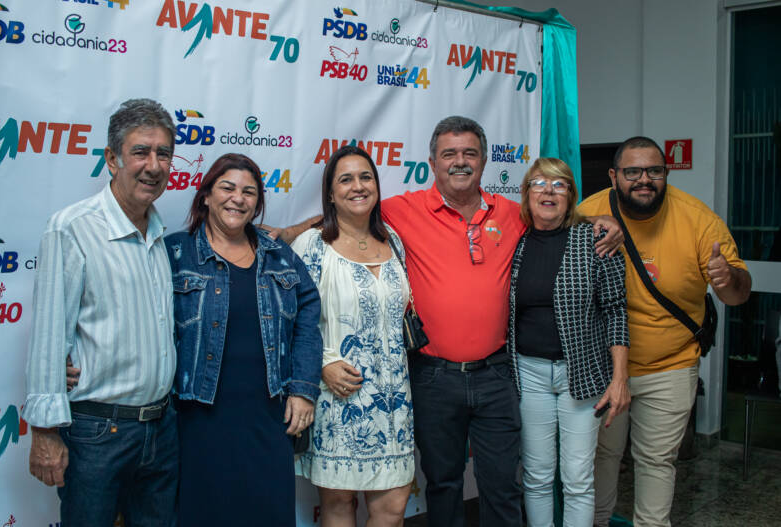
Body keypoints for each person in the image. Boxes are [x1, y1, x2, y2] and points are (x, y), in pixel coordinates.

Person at [278, 116, 623, 527]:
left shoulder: (513, 213)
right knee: (442, 484)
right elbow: (348, 217)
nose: (460, 161)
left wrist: (603, 222)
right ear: (432, 163)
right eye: (449, 154)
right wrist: (287, 232)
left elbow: (557, 219)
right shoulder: (400, 211)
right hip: (432, 377)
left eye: (469, 153)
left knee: (503, 484)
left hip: (497, 374)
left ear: (484, 161)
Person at [579, 136, 752, 527]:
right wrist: (590, 223)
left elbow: (738, 294)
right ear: (613, 176)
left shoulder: (698, 220)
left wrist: (728, 278)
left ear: (666, 173)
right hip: (603, 369)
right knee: (601, 457)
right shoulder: (588, 212)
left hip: (670, 366)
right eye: (633, 172)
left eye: (654, 171)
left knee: (656, 461)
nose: (644, 180)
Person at [22, 98, 180, 526]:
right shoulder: (72, 228)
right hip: (97, 434)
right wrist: (44, 431)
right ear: (112, 158)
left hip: (161, 430)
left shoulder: (160, 233)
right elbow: (50, 335)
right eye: (140, 152)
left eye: (163, 153)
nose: (154, 166)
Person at [166, 153, 322, 526]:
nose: (238, 198)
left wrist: (303, 389)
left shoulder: (278, 255)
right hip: (198, 417)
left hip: (268, 416)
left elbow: (308, 313)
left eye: (249, 192)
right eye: (227, 188)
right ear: (206, 196)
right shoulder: (175, 252)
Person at [293, 145, 414, 526]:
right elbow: (290, 321)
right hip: (338, 396)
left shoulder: (394, 241)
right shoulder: (312, 246)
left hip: (394, 402)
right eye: (345, 179)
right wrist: (322, 364)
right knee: (338, 503)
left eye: (365, 177)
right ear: (330, 194)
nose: (357, 186)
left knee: (393, 506)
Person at [507, 158, 629, 526]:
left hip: (582, 374)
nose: (548, 191)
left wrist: (620, 378)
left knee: (577, 478)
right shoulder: (513, 241)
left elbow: (616, 310)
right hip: (528, 374)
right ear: (526, 194)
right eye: (539, 183)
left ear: (570, 196)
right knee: (537, 475)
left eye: (558, 184)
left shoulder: (595, 239)